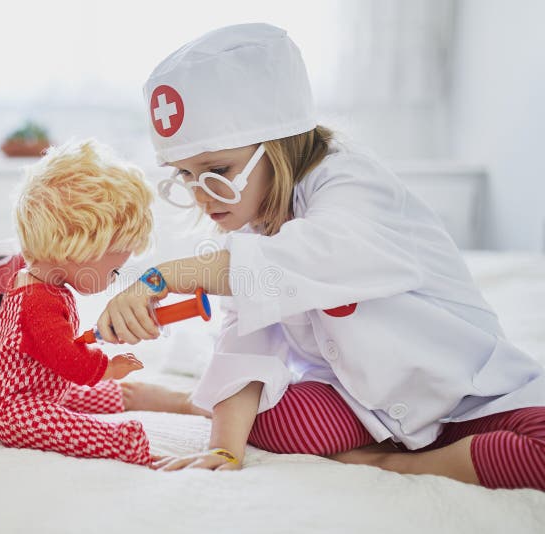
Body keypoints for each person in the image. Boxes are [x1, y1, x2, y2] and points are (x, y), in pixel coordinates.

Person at [100, 23, 545, 489]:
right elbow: (245, 340)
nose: (199, 195)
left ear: (277, 146)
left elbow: (309, 256)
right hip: (365, 406)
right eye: (184, 176)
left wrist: (166, 277)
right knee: (269, 419)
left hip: (468, 393)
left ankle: (394, 464)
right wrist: (223, 448)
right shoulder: (255, 223)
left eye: (216, 171)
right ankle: (196, 402)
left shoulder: (352, 184)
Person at [0, 139, 153, 465]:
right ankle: (123, 441)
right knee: (57, 423)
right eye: (114, 269)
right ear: (78, 248)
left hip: (43, 387)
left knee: (78, 393)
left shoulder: (40, 284)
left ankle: (148, 399)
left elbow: (54, 348)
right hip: (14, 405)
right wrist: (108, 368)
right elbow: (65, 357)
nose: (114, 277)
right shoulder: (37, 300)